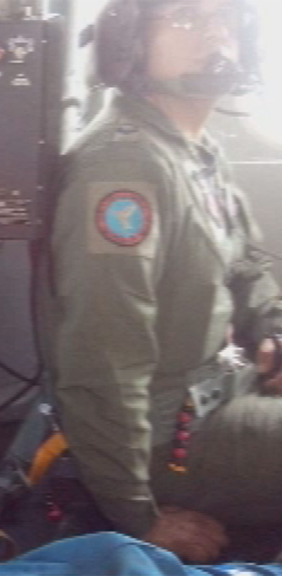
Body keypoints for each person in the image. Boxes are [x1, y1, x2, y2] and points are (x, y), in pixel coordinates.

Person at [43, 0, 282, 564]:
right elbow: (104, 357)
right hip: (171, 443)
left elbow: (246, 263)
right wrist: (135, 514)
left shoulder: (193, 150)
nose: (213, 33)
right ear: (130, 41)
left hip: (230, 387)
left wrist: (274, 327)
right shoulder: (124, 168)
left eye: (224, 17)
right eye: (183, 16)